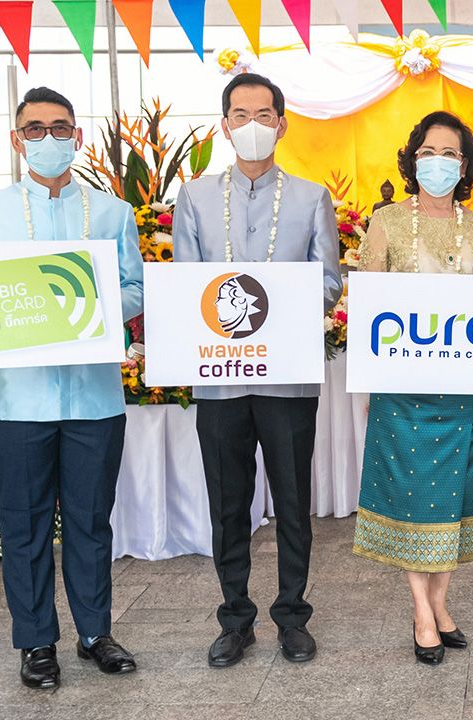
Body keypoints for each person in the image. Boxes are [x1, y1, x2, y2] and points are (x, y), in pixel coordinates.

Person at [0, 87, 143, 688]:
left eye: (60, 128)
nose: (48, 139)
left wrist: (86, 307)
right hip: (21, 399)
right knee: (26, 521)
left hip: (94, 397)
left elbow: (137, 288)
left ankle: (95, 632)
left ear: (77, 137)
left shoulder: (113, 212)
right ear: (16, 141)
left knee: (91, 520)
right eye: (34, 129)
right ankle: (36, 641)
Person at [172, 73, 342, 668]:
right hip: (217, 375)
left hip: (288, 377)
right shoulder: (191, 198)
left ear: (282, 124)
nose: (252, 126)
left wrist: (287, 298)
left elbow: (329, 281)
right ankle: (235, 618)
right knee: (228, 500)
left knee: (294, 498)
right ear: (224, 125)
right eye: (240, 115)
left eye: (264, 115)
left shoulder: (311, 197)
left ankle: (293, 615)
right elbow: (187, 287)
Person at [352, 111, 473, 666]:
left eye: (450, 154)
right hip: (402, 388)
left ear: (465, 165)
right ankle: (422, 611)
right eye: (428, 152)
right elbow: (367, 303)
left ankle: (442, 606)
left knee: (451, 500)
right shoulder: (386, 223)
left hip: (462, 389)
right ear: (413, 159)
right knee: (414, 498)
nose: (438, 163)